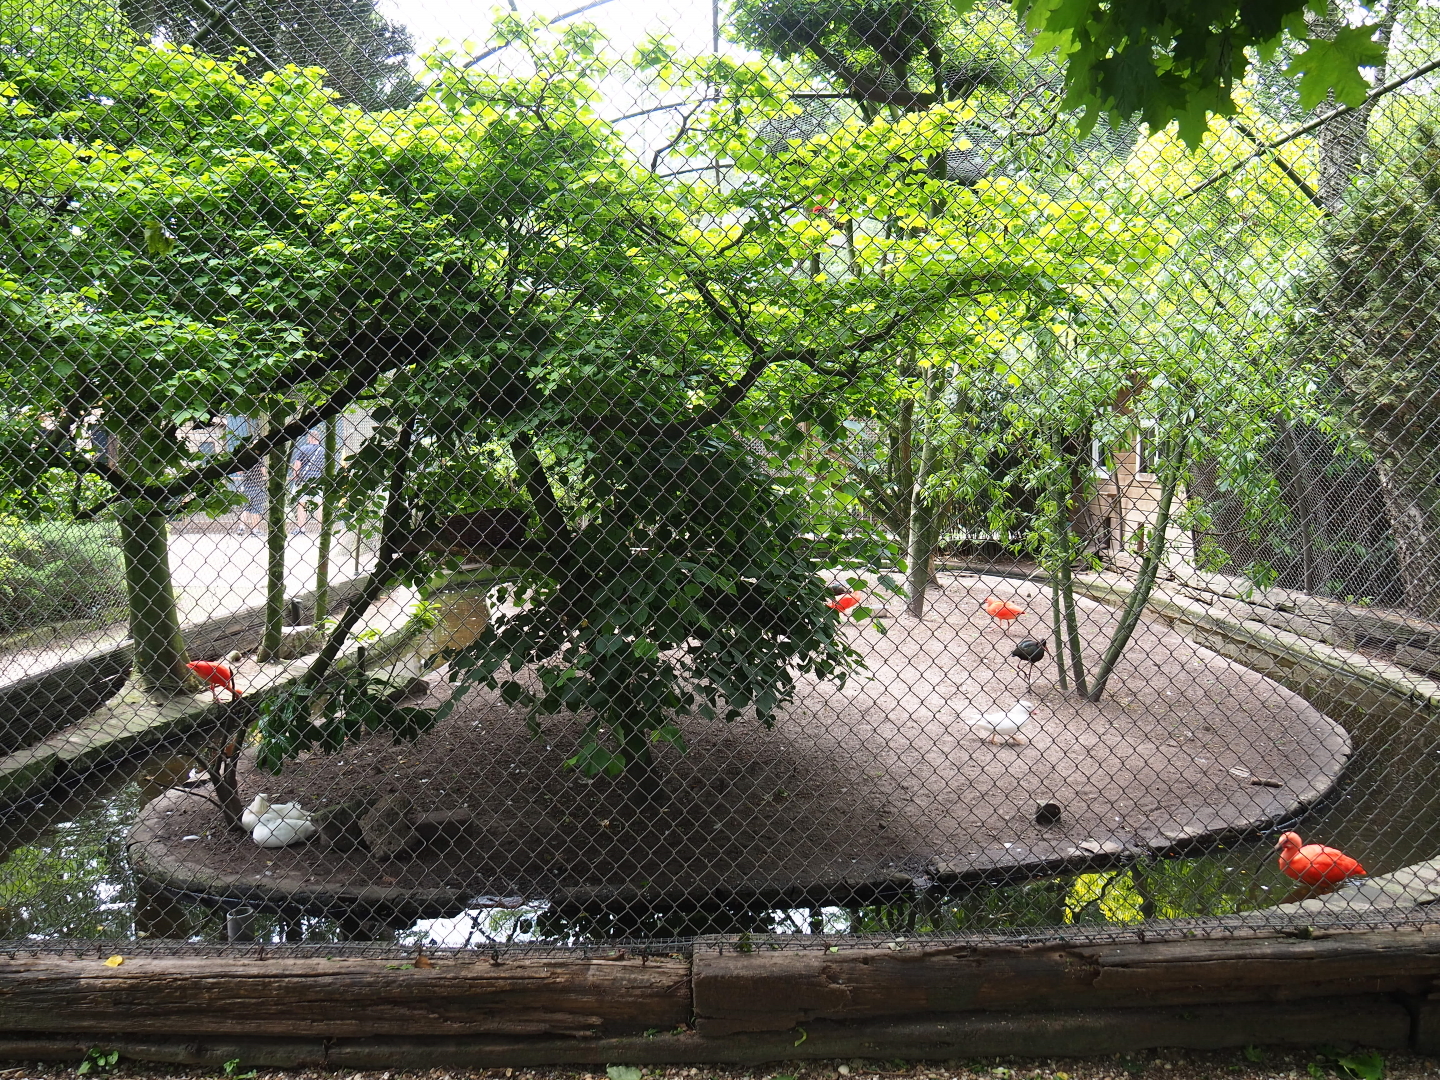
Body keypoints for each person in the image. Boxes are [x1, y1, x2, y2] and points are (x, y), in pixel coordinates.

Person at [291, 429, 324, 535]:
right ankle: (322, 529)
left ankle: (301, 528)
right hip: (318, 480)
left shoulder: (303, 449)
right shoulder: (323, 451)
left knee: (301, 504)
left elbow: (297, 465)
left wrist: (296, 477)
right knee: (319, 504)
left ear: (310, 438)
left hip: (304, 480)